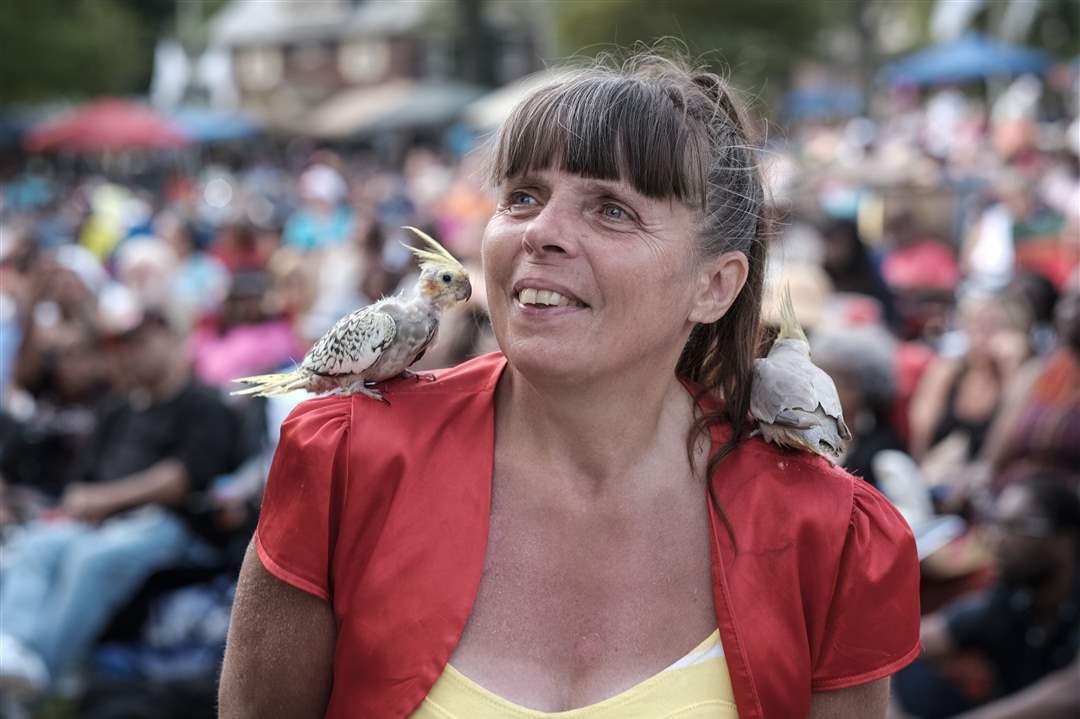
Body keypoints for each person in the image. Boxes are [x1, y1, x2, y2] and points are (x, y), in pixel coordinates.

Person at [219, 53, 920, 719]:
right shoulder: (347, 460)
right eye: (522, 196)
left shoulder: (827, 535)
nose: (541, 233)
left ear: (714, 285)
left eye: (611, 209)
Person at [0, 305, 241, 697]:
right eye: (126, 345)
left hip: (172, 524)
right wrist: (84, 504)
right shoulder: (119, 407)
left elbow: (180, 480)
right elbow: (83, 479)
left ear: (171, 338)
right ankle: (11, 650)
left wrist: (103, 501)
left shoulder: (204, 403)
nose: (133, 353)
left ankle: (39, 673)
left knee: (92, 559)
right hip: (103, 520)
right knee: (37, 545)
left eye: (141, 341)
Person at [894, 475, 1080, 719]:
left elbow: (1072, 692)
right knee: (910, 674)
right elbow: (918, 640)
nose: (997, 539)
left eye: (1015, 527)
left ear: (1063, 542)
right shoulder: (1012, 598)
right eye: (997, 524)